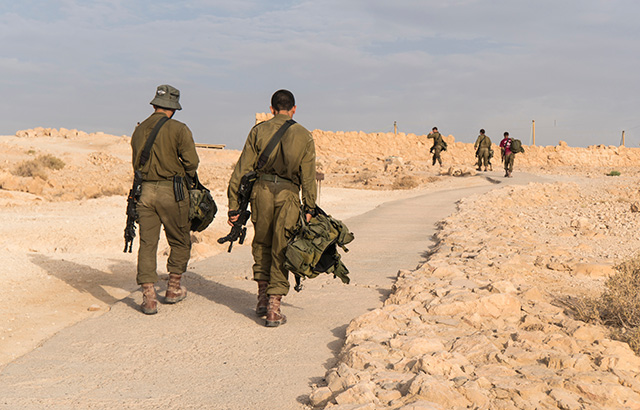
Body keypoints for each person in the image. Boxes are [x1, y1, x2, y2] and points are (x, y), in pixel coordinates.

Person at [226, 89, 317, 327]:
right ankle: (275, 307)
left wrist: (233, 206)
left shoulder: (258, 131)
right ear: (294, 109)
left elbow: (242, 170)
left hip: (261, 193)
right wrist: (309, 207)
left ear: (272, 108)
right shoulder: (304, 135)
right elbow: (308, 177)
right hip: (288, 195)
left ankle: (262, 299)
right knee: (282, 246)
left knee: (262, 243)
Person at [131, 84, 199, 315]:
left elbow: (136, 164)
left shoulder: (139, 131)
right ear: (174, 108)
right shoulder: (179, 129)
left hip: (145, 192)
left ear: (154, 105)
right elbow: (192, 163)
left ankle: (149, 296)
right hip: (173, 192)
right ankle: (173, 288)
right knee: (179, 239)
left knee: (147, 243)